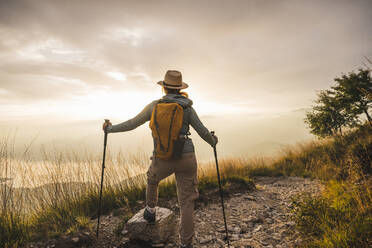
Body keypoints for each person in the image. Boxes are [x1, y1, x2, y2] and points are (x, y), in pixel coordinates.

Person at [102, 70, 217, 248]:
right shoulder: (187, 107)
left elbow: (132, 123)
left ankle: (151, 210)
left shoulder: (154, 106)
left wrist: (110, 129)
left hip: (162, 157)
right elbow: (203, 132)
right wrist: (213, 140)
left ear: (164, 88)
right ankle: (186, 244)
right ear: (179, 89)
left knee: (152, 179)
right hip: (186, 156)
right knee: (186, 202)